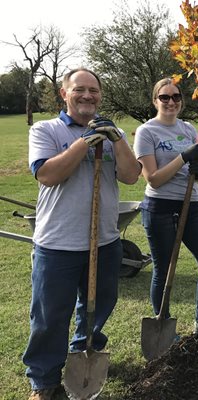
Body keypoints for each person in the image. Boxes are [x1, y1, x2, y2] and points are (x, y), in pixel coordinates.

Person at [24, 68, 141, 400]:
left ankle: (83, 356)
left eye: (94, 90)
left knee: (97, 307)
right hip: (57, 243)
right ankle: (44, 381)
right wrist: (84, 142)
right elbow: (48, 174)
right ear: (65, 93)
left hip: (104, 241)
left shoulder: (114, 133)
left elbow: (132, 176)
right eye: (80, 90)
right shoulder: (46, 129)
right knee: (49, 316)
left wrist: (115, 139)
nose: (88, 95)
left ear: (100, 95)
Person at [133, 78, 198, 333]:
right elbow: (153, 178)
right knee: (163, 271)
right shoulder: (146, 132)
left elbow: (193, 176)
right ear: (155, 101)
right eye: (164, 97)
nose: (171, 102)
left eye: (176, 97)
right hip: (159, 208)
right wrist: (184, 156)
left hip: (191, 206)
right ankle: (163, 325)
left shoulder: (187, 129)